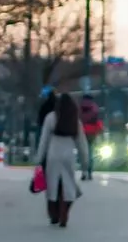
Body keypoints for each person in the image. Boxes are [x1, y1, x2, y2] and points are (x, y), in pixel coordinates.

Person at [34, 91, 89, 228]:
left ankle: (54, 214)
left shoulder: (51, 118)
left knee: (52, 185)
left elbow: (44, 140)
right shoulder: (75, 121)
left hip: (54, 152)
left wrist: (39, 159)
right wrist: (85, 164)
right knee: (69, 185)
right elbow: (82, 145)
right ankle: (65, 212)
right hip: (69, 153)